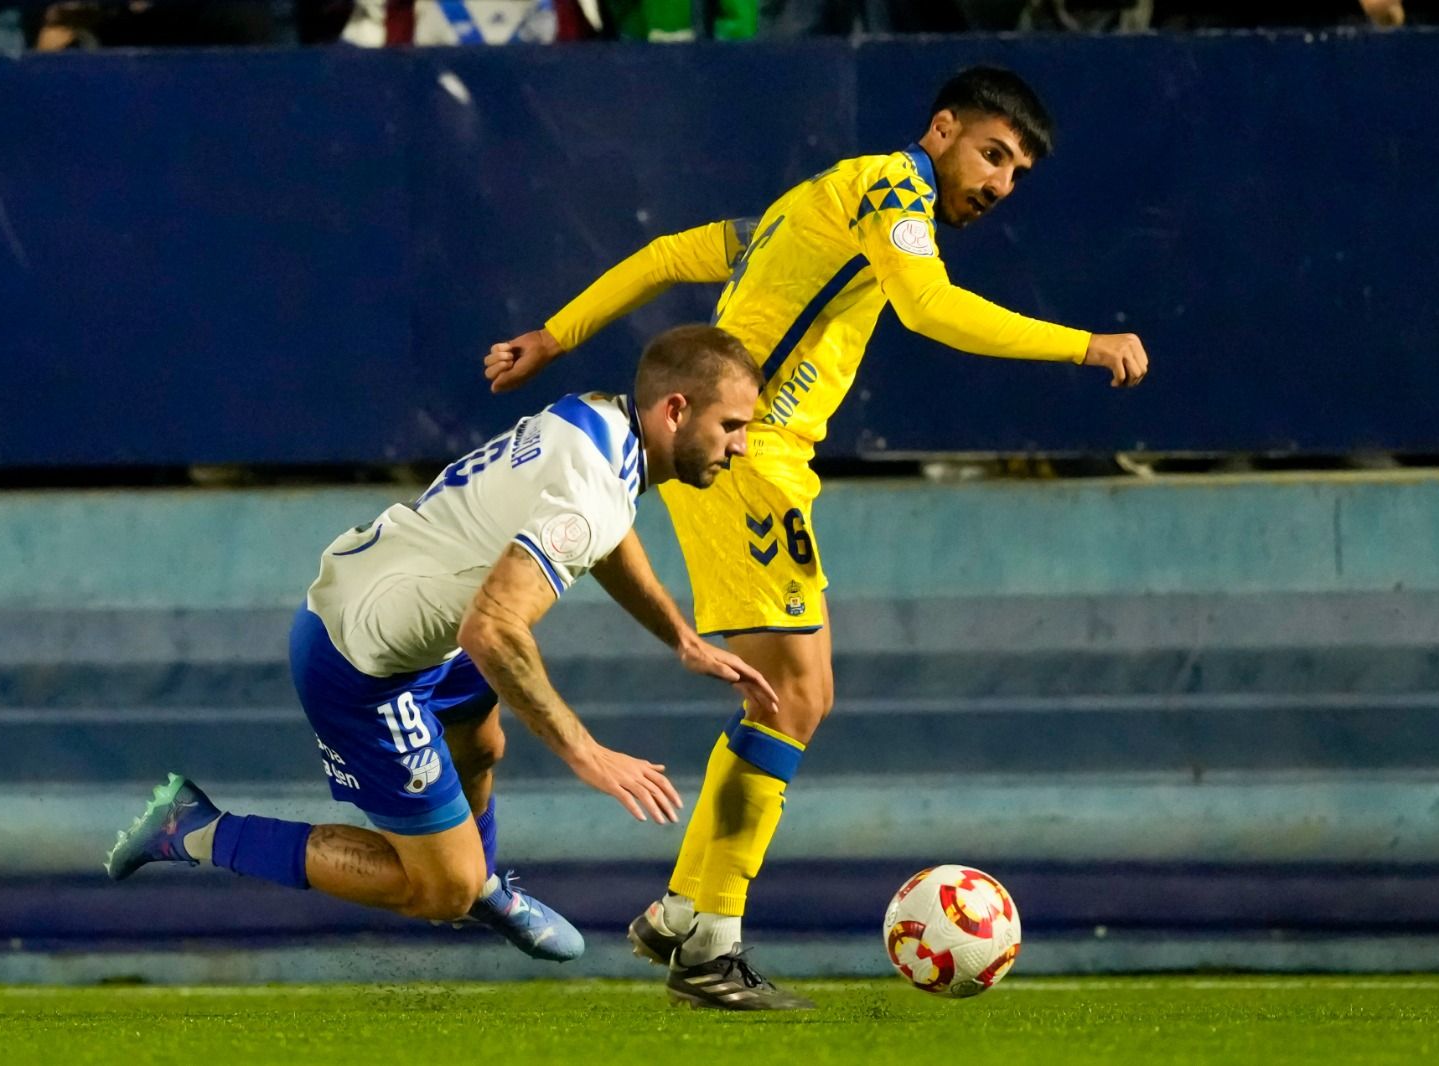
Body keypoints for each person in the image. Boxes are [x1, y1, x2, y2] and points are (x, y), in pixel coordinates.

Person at [484, 65, 1149, 1008]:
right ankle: (709, 942)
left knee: (794, 695)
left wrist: (557, 331)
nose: (999, 183)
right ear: (944, 127)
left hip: (759, 459)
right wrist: (1084, 344)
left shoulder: (826, 198)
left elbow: (678, 252)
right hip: (740, 454)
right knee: (795, 693)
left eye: (1017, 173)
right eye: (992, 154)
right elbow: (929, 306)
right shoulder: (892, 190)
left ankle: (688, 912)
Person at [107, 324, 778, 968]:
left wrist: (681, 638)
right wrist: (588, 753)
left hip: (416, 613)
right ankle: (196, 828)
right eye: (732, 426)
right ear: (677, 410)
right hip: (363, 662)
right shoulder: (593, 492)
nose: (741, 446)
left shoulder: (597, 419)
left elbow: (605, 529)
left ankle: (480, 879)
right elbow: (492, 629)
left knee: (482, 747)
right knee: (437, 893)